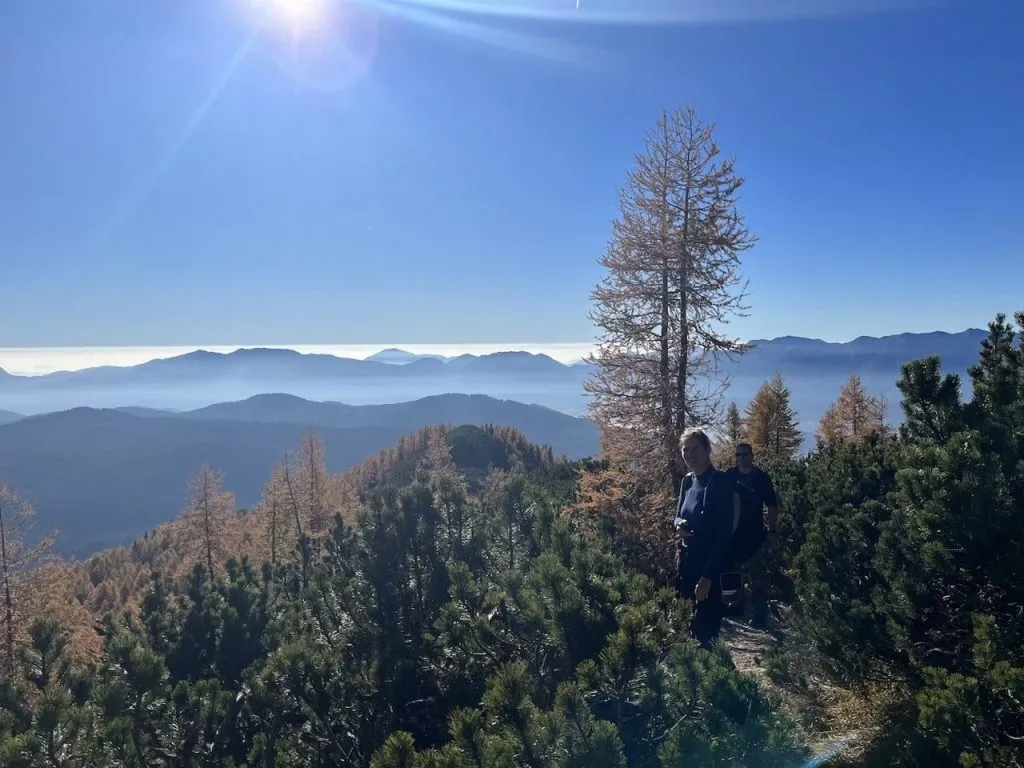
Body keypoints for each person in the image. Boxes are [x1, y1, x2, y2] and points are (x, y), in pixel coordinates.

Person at [674, 428, 739, 650]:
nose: (690, 455)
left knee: (706, 632)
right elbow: (677, 516)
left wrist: (707, 577)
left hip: (710, 566)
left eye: (695, 449)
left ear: (707, 450)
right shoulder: (687, 482)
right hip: (687, 563)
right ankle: (696, 679)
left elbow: (723, 535)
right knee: (689, 626)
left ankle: (718, 680)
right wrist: (679, 526)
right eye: (686, 450)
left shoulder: (719, 482)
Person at [727, 442, 779, 629]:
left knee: (758, 575)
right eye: (738, 454)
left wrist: (772, 530)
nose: (741, 458)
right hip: (733, 534)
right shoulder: (729, 476)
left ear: (752, 455)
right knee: (733, 572)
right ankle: (735, 606)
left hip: (755, 533)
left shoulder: (761, 478)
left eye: (745, 454)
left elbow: (771, 505)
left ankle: (759, 613)